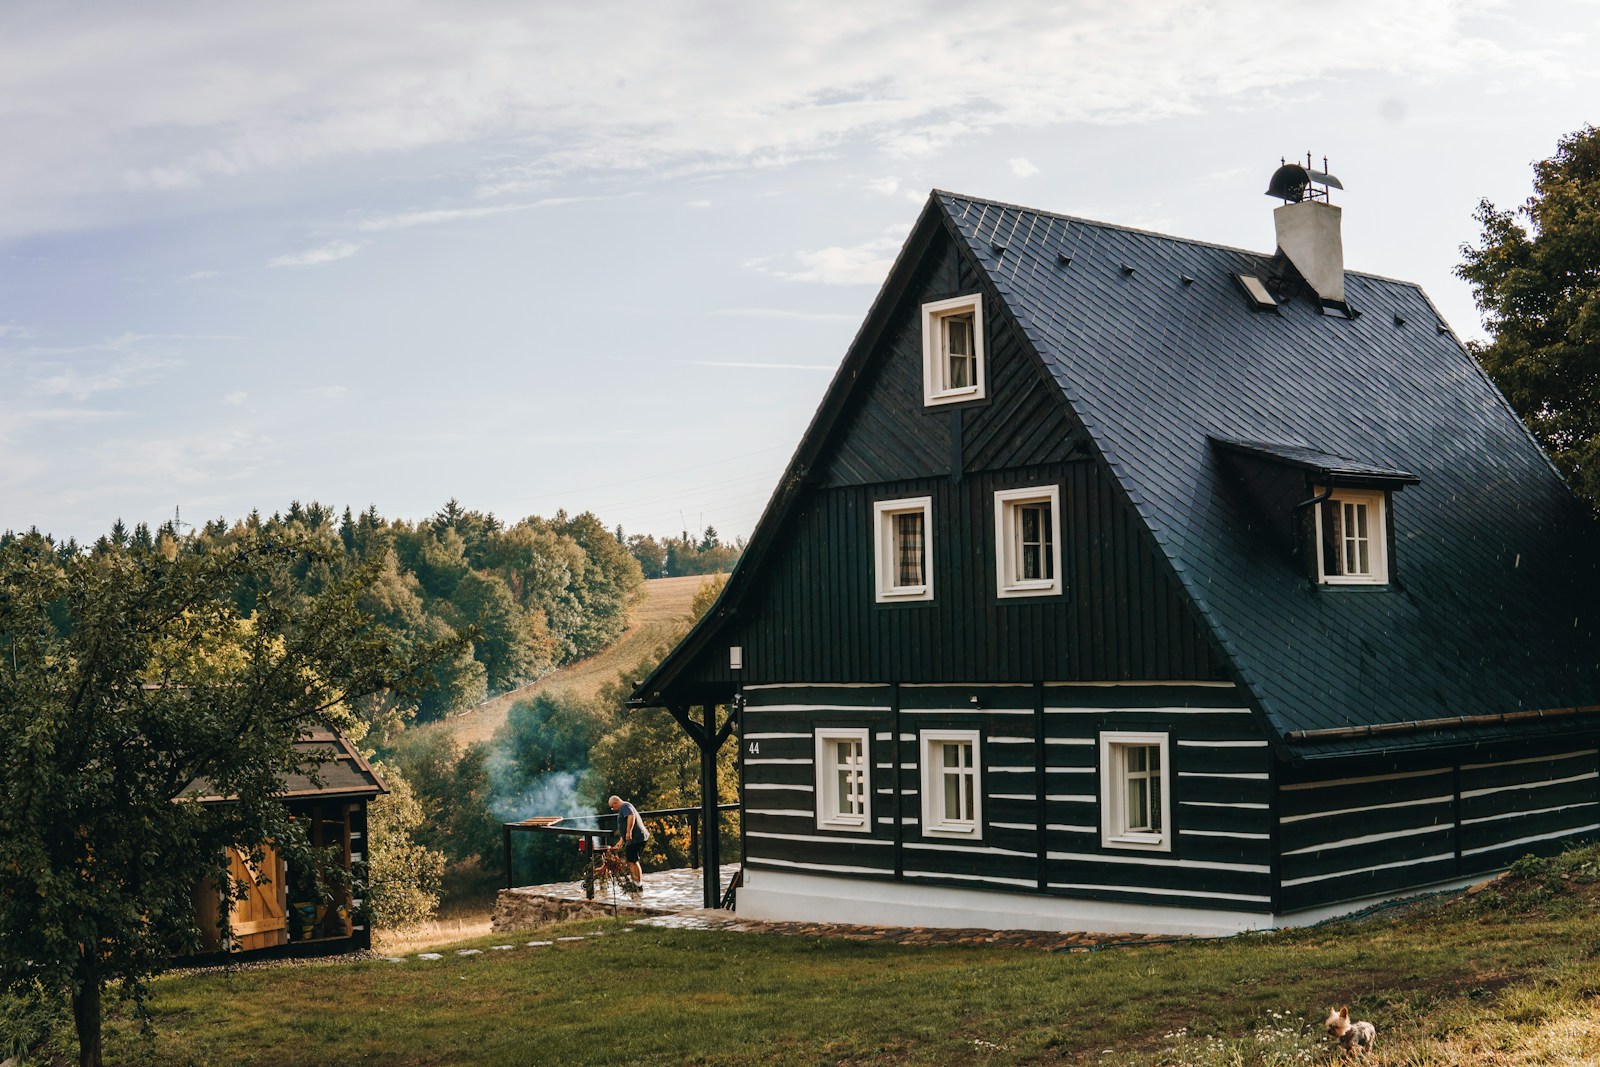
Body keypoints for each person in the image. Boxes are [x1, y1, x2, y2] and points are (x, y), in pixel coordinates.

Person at [608, 794, 649, 893]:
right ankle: (636, 883)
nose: (613, 809)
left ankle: (638, 885)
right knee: (632, 860)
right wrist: (621, 841)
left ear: (615, 803)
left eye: (612, 807)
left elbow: (631, 816)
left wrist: (628, 832)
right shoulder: (624, 807)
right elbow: (625, 823)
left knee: (633, 861)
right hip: (633, 839)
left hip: (636, 838)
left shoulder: (625, 806)